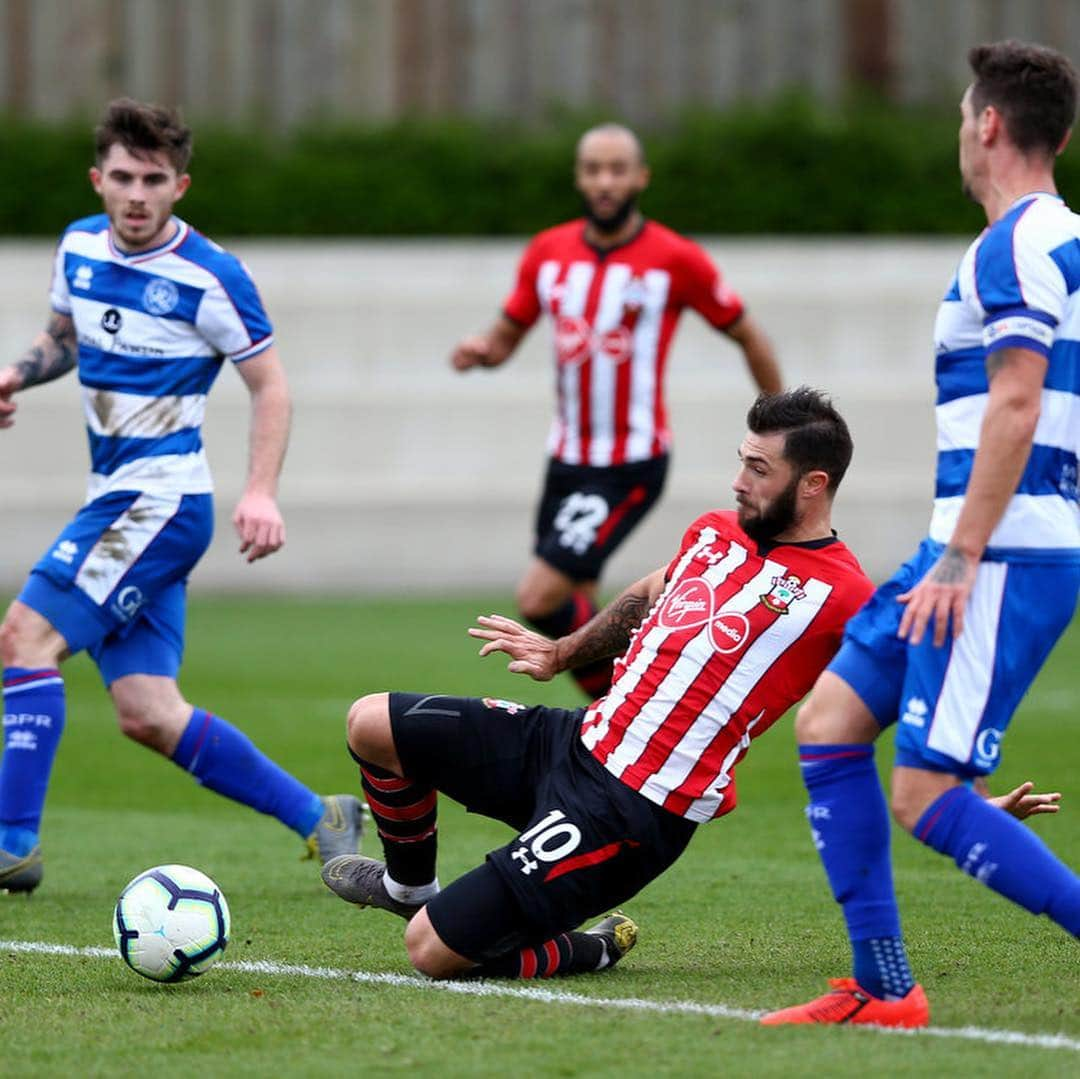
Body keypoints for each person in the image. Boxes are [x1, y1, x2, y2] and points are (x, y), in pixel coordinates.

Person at [319, 388, 874, 980]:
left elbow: (913, 682)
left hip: (631, 809)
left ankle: (594, 948)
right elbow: (648, 594)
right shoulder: (714, 532)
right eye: (742, 460)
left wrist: (950, 790)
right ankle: (408, 887)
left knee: (429, 950)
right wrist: (560, 652)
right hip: (575, 740)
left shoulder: (846, 597)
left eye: (759, 469)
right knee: (372, 723)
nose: (739, 481)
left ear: (813, 484)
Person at [761, 41, 1080, 1029]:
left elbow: (1018, 404)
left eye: (959, 117)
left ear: (988, 124)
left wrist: (963, 553)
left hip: (994, 552)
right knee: (831, 722)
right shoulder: (1058, 239)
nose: (959, 133)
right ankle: (885, 986)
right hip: (977, 541)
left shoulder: (1016, 245)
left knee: (926, 788)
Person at [0, 99, 362, 894]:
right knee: (148, 712)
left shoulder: (212, 275)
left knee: (23, 636)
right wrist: (18, 373)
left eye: (153, 180)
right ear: (98, 179)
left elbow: (270, 386)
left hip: (158, 501)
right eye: (122, 178)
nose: (136, 195)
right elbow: (65, 335)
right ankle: (322, 815)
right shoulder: (78, 246)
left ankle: (10, 845)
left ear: (180, 186)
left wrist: (261, 490)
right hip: (124, 499)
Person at [450, 123, 782, 700]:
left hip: (628, 461)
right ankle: (620, 712)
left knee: (538, 598)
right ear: (579, 178)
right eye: (593, 170)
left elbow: (747, 333)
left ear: (640, 178)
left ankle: (642, 689)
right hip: (565, 460)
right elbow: (507, 337)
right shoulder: (548, 253)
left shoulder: (675, 259)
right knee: (576, 600)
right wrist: (482, 352)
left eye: (617, 169)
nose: (605, 182)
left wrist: (779, 427)